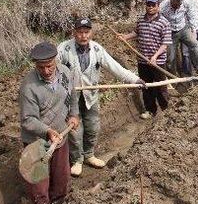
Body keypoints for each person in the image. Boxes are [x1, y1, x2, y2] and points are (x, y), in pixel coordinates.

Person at [57, 18, 146, 177]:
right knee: (74, 131)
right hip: (70, 99)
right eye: (80, 32)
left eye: (86, 32)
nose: (83, 36)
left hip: (91, 96)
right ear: (74, 33)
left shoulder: (97, 50)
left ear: (91, 33)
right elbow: (53, 71)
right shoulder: (64, 50)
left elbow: (115, 68)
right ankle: (77, 159)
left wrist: (134, 79)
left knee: (93, 126)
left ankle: (89, 155)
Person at [19, 41, 80, 204]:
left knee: (61, 178)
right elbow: (27, 120)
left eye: (49, 66)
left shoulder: (66, 73)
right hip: (38, 142)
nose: (46, 71)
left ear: (56, 61)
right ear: (35, 65)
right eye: (41, 67)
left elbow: (73, 95)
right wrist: (47, 131)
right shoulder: (29, 87)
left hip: (60, 136)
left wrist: (74, 114)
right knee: (38, 186)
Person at [119, 0, 172, 119]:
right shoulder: (141, 20)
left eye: (153, 5)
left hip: (157, 61)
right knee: (146, 86)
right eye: (148, 5)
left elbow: (165, 44)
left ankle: (165, 110)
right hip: (142, 61)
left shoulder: (164, 23)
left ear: (158, 7)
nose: (150, 7)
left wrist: (155, 57)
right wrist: (125, 37)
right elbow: (136, 32)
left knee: (160, 87)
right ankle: (150, 110)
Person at [159, 0, 198, 73]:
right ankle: (172, 75)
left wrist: (193, 30)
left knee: (194, 44)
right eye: (175, 5)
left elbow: (191, 16)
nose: (177, 7)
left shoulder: (186, 3)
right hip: (170, 32)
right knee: (170, 56)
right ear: (171, 1)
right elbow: (159, 19)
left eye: (178, 5)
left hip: (183, 28)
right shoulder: (163, 6)